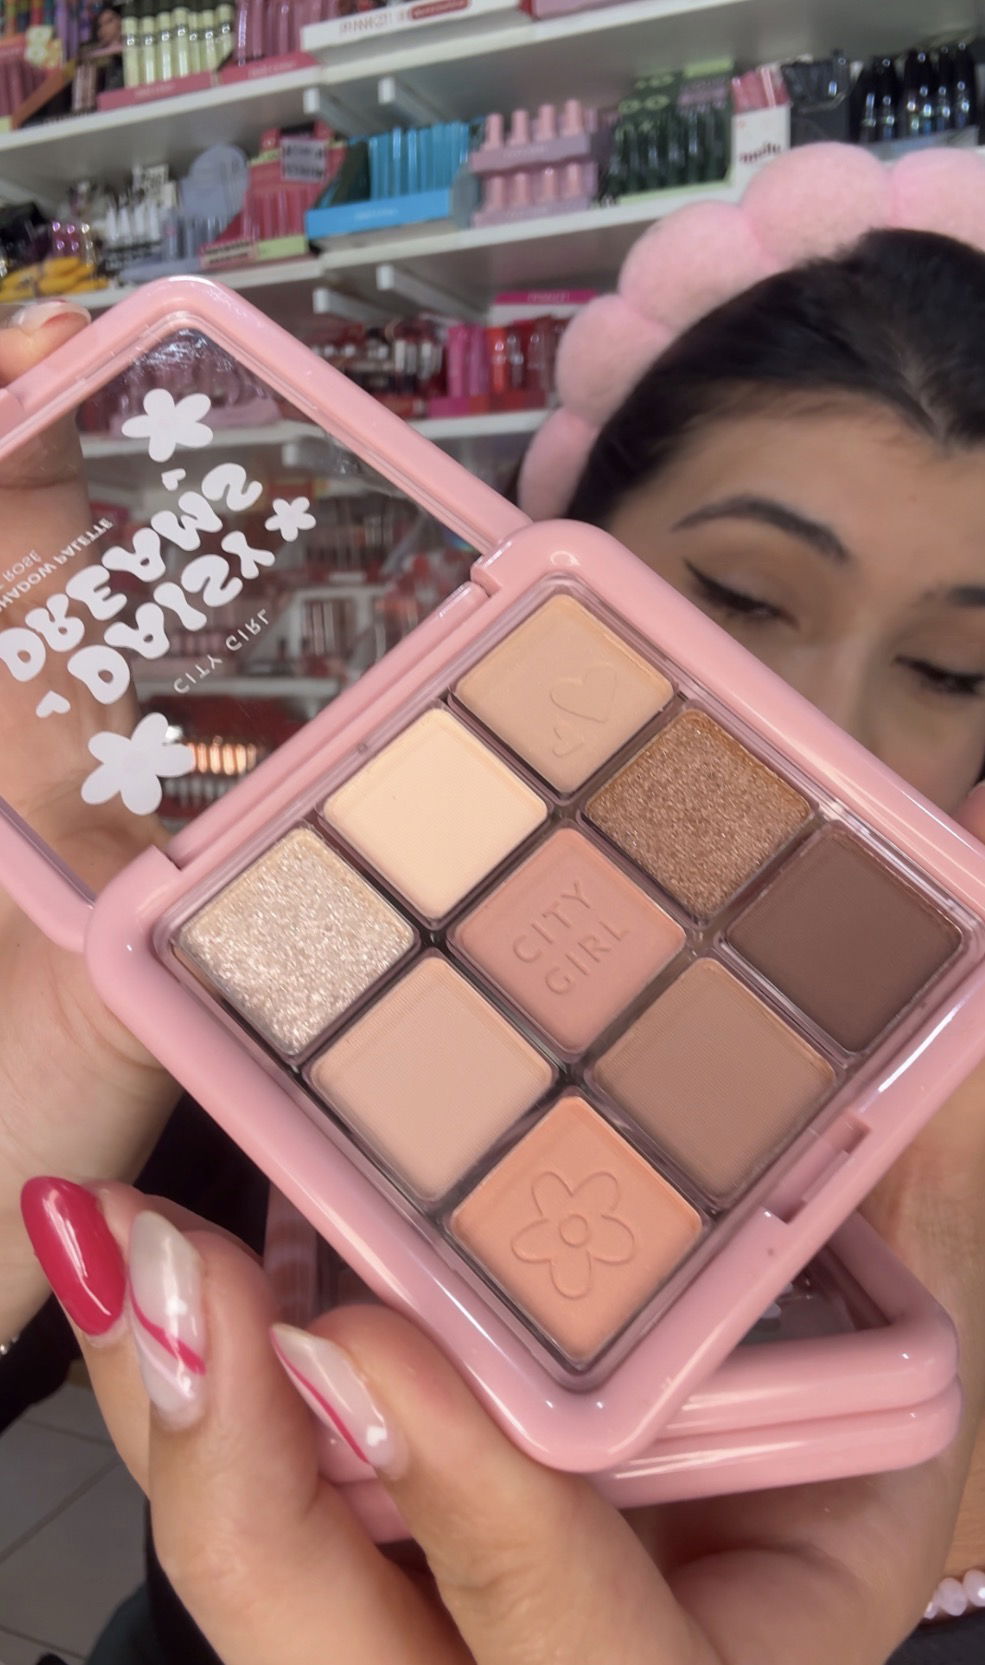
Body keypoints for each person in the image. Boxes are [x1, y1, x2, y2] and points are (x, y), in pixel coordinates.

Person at [7, 158, 985, 1662]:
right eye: (738, 594)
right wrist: (58, 1041)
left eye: (952, 670)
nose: (819, 725)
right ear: (553, 552)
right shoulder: (297, 959)